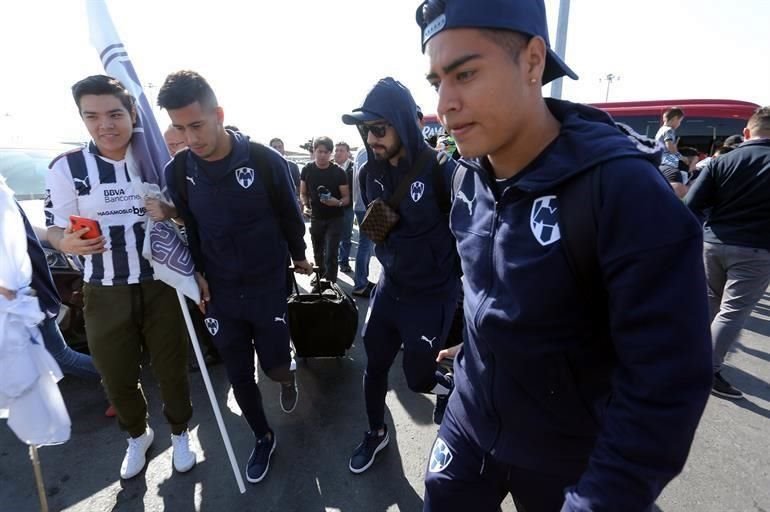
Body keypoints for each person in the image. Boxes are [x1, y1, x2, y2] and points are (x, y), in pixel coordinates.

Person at [415, 1, 713, 510]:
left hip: (571, 457)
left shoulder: (623, 190)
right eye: (436, 81)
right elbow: (490, 289)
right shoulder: (466, 176)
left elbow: (666, 384)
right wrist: (477, 348)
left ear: (533, 62)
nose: (445, 102)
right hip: (469, 422)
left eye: (465, 73)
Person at [156, 70, 312, 484]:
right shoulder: (178, 172)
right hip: (220, 292)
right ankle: (262, 436)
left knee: (276, 361)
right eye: (179, 127)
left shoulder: (265, 160)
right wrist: (198, 274)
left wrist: (299, 256)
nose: (190, 137)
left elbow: (289, 215)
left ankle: (286, 375)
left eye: (197, 125)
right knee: (239, 372)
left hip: (268, 285)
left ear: (218, 114)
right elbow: (190, 226)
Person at [45, 75, 196, 480]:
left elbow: (192, 214)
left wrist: (172, 212)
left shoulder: (158, 161)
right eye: (91, 116)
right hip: (104, 289)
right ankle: (137, 434)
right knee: (116, 374)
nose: (104, 124)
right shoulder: (68, 167)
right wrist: (65, 243)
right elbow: (54, 228)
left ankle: (180, 431)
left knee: (171, 367)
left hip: (161, 283)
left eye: (114, 113)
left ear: (132, 113)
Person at [341, 76, 460, 473]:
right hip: (390, 290)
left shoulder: (444, 171)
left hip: (432, 296)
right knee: (374, 365)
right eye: (365, 129)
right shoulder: (366, 173)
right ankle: (376, 433)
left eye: (378, 128)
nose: (370, 138)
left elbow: (473, 242)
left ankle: (449, 384)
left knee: (418, 379)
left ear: (402, 124)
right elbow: (375, 231)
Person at [685, 106, 770, 400]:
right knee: (731, 312)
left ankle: (690, 361)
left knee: (708, 305)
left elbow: (692, 204)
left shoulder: (722, 160)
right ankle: (705, 372)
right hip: (757, 250)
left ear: (747, 132)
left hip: (713, 243)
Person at [159, 125, 221, 371]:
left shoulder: (203, 169)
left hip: (210, 252)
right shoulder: (171, 171)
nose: (173, 150)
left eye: (177, 144)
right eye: (169, 146)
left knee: (206, 300)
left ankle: (217, 347)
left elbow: (190, 216)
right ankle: (211, 347)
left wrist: (173, 213)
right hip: (185, 249)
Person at [300, 136, 350, 285]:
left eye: (326, 152)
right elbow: (303, 193)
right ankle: (320, 274)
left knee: (331, 253)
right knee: (317, 251)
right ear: (314, 151)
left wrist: (338, 202)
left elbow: (347, 198)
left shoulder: (339, 172)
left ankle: (331, 284)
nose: (322, 155)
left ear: (330, 153)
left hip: (335, 218)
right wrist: (306, 205)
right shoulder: (307, 169)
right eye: (319, 151)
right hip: (316, 217)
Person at [351, 146, 375, 297]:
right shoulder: (367, 151)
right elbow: (368, 178)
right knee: (365, 245)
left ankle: (362, 280)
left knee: (366, 244)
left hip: (362, 204)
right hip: (367, 205)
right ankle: (360, 283)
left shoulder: (361, 150)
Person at [334, 141, 355, 273]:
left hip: (347, 208)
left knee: (346, 237)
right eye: (336, 150)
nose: (338, 153)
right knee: (331, 237)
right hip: (331, 208)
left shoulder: (354, 167)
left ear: (348, 153)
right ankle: (331, 262)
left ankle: (344, 262)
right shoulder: (330, 167)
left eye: (341, 150)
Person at [269, 137, 301, 202]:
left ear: (283, 149)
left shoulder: (293, 166)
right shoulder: (265, 167)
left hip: (289, 202)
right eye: (274, 147)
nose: (278, 149)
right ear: (270, 149)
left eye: (280, 147)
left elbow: (299, 187)